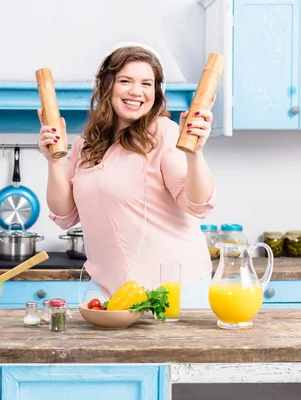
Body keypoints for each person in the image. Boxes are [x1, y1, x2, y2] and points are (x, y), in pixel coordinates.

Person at [37, 43, 216, 307]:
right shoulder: (85, 143)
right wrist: (53, 163)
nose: (136, 91)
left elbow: (198, 204)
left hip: (173, 289)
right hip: (107, 289)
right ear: (107, 86)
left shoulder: (163, 133)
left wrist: (195, 153)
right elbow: (64, 214)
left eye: (147, 83)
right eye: (125, 80)